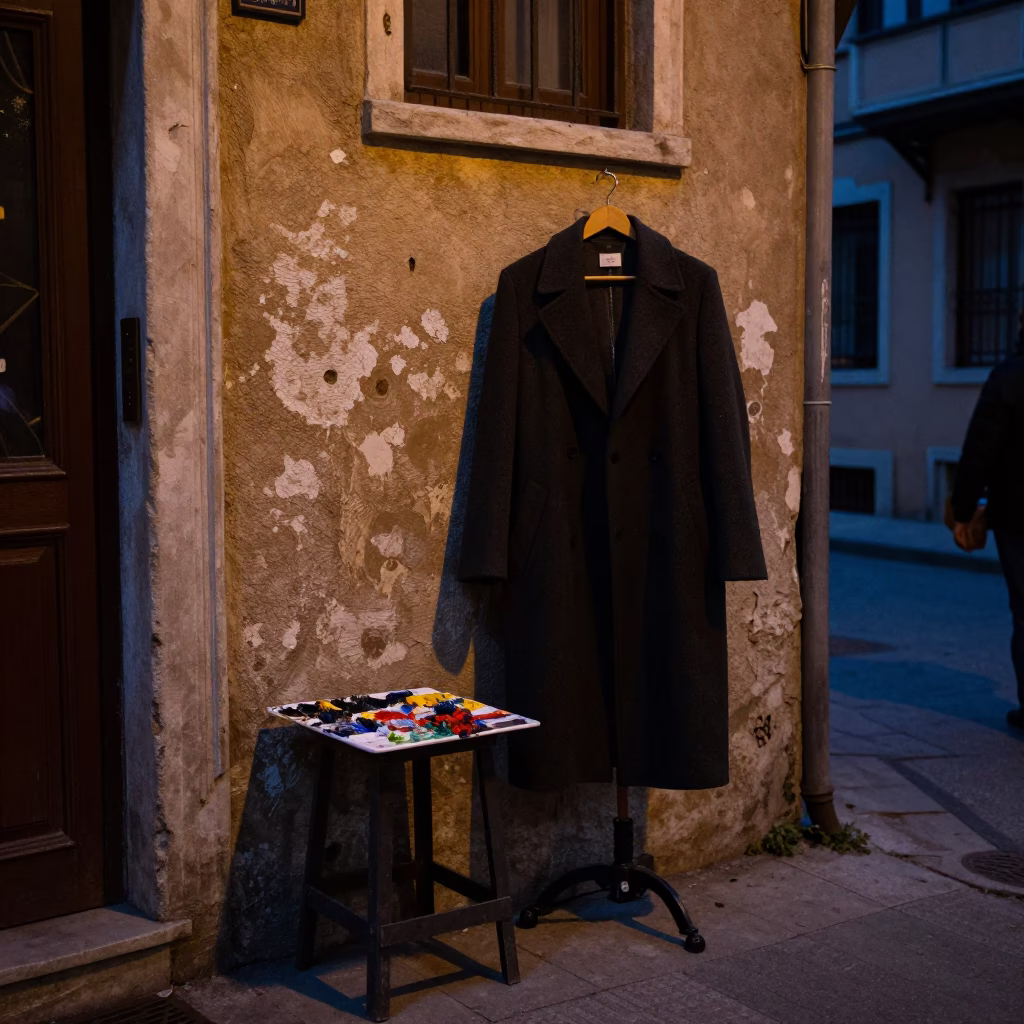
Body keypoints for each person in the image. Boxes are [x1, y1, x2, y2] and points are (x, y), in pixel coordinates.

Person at [951, 313, 1024, 731]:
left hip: (1018, 516)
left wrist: (963, 509)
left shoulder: (1008, 377)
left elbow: (980, 447)